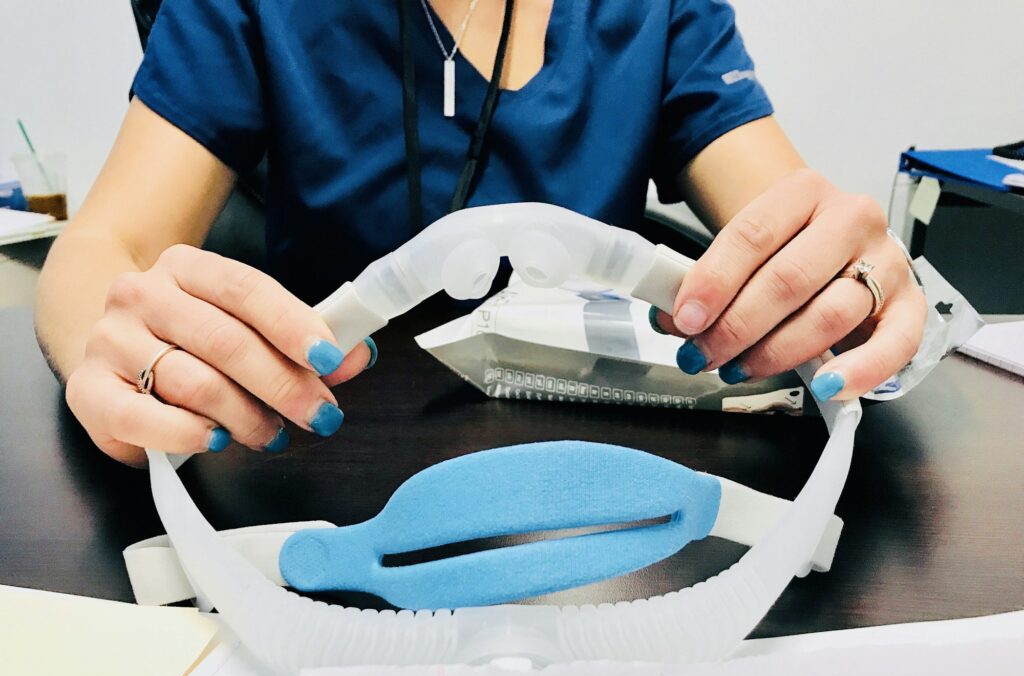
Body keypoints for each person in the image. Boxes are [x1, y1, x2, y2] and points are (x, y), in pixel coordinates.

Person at [34, 0, 927, 467]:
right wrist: (106, 352)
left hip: (602, 489)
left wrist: (846, 274)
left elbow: (794, 226)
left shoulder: (657, 11)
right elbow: (100, 249)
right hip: (315, 474)